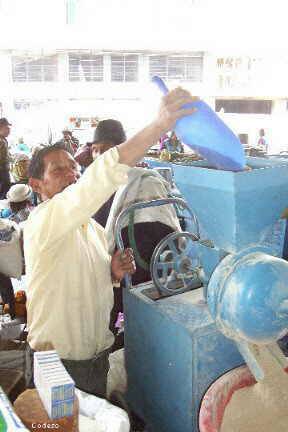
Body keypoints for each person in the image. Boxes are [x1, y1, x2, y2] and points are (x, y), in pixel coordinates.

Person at [24, 87, 196, 397]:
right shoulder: (43, 221)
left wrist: (112, 275)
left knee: (91, 422)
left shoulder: (89, 228)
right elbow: (97, 179)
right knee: (62, 424)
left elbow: (89, 284)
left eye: (73, 169)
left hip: (94, 359)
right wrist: (158, 126)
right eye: (58, 170)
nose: (71, 175)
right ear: (37, 184)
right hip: (58, 364)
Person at [0, 118, 12, 199]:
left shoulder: (3, 140)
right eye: (7, 128)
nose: (9, 130)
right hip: (2, 171)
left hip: (4, 170)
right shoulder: (1, 141)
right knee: (5, 192)